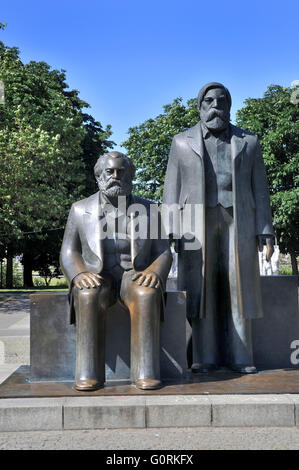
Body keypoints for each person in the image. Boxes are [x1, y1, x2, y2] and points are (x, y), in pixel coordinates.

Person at [163, 82, 274, 374]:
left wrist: (266, 230)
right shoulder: (181, 142)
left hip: (239, 220)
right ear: (200, 106)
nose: (215, 106)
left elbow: (260, 189)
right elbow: (171, 189)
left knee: (239, 287)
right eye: (209, 101)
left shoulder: (249, 141)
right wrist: (169, 231)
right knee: (202, 287)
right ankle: (205, 355)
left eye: (221, 101)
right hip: (194, 226)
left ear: (229, 105)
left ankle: (241, 355)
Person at [60, 151, 172, 391]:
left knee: (146, 293)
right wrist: (79, 274)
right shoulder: (79, 210)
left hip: (134, 275)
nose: (115, 176)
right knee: (87, 295)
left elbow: (164, 251)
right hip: (97, 276)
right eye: (109, 171)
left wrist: (154, 272)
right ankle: (88, 373)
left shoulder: (150, 209)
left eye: (121, 172)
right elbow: (69, 252)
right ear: (99, 176)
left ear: (131, 175)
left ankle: (145, 372)